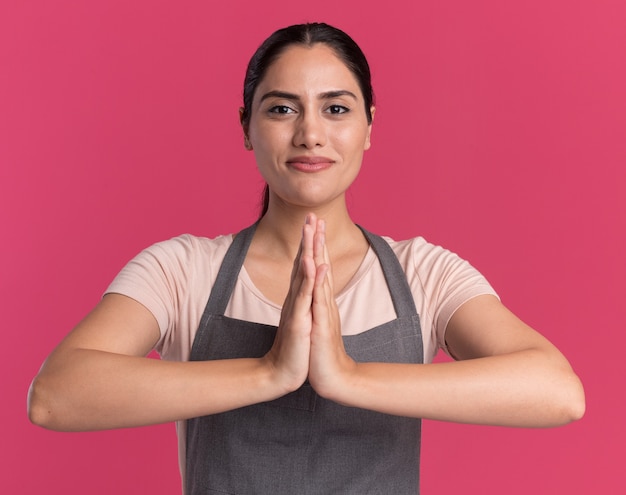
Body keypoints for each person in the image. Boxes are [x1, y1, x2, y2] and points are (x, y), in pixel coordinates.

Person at [28, 22, 585, 494]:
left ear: (369, 126)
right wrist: (268, 372)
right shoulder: (181, 270)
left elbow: (557, 392)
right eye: (282, 109)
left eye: (336, 108)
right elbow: (56, 397)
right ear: (246, 126)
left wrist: (348, 377)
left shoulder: (425, 274)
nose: (310, 134)